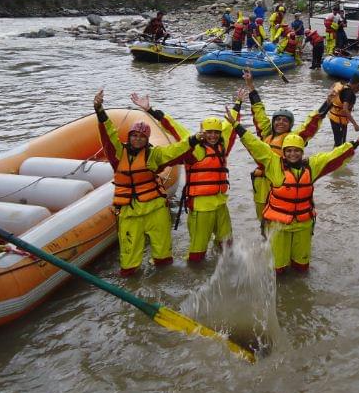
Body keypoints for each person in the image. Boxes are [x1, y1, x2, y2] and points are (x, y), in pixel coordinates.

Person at [224, 110, 359, 275]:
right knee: (278, 269)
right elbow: (256, 146)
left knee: (302, 268)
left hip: (303, 224)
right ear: (283, 153)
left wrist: (354, 144)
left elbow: (332, 157)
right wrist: (237, 126)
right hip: (279, 224)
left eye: (297, 150)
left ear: (302, 152)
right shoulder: (274, 165)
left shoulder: (311, 166)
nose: (293, 154)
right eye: (289, 151)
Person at [130, 92, 245, 262]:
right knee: (198, 251)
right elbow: (173, 125)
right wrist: (151, 110)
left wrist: (238, 102)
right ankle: (195, 274)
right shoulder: (194, 146)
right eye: (209, 132)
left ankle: (224, 271)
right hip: (201, 207)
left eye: (215, 133)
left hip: (221, 204)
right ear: (202, 131)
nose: (212, 136)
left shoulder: (223, 144)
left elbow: (230, 125)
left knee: (227, 244)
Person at [93, 89, 197, 276]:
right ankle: (133, 285)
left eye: (141, 137)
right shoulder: (118, 153)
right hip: (129, 213)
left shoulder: (153, 155)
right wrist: (100, 110)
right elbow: (108, 134)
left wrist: (193, 139)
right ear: (129, 137)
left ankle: (162, 282)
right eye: (134, 135)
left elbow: (174, 151)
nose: (137, 139)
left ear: (147, 139)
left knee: (163, 256)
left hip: (155, 210)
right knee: (129, 262)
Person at [243, 70, 335, 221]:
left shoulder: (294, 138)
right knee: (263, 221)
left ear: (290, 124)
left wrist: (327, 103)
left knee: (281, 219)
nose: (280, 122)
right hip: (262, 184)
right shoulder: (266, 134)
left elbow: (310, 124)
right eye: (277, 119)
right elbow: (258, 112)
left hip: (282, 182)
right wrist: (250, 85)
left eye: (285, 120)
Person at [329, 74, 359, 146]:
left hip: (333, 117)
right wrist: (355, 124)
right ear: (357, 84)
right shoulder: (349, 93)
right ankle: (337, 156)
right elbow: (345, 109)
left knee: (338, 140)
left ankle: (335, 153)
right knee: (340, 143)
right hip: (339, 121)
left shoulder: (343, 86)